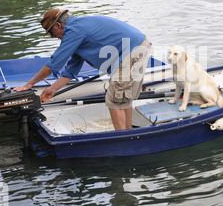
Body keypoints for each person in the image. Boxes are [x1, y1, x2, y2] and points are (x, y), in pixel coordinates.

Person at [14, 9, 151, 130]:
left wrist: (29, 84)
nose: (52, 36)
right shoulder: (78, 29)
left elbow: (53, 64)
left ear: (58, 25)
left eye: (51, 32)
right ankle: (127, 133)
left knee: (114, 100)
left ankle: (122, 140)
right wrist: (53, 89)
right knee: (122, 97)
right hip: (138, 46)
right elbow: (70, 71)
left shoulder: (74, 31)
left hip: (132, 50)